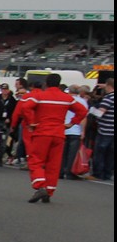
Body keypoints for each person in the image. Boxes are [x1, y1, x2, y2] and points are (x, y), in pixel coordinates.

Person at [17, 73, 86, 203]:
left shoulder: (40, 96)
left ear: (46, 83)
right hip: (59, 133)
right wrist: (72, 122)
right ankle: (49, 191)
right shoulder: (67, 98)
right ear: (59, 84)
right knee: (53, 164)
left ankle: (40, 185)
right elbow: (82, 110)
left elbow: (25, 107)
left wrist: (31, 122)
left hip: (42, 132)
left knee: (35, 160)